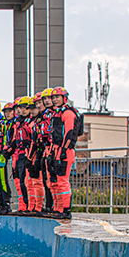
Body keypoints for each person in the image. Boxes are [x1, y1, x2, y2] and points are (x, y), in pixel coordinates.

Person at [49, 87, 80, 220]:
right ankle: (59, 208)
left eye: (58, 97)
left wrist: (62, 151)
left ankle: (66, 210)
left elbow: (68, 133)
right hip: (56, 149)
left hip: (65, 151)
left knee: (63, 181)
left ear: (64, 98)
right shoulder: (57, 112)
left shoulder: (68, 113)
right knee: (56, 181)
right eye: (54, 97)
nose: (55, 99)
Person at [7, 100, 31, 214]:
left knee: (28, 182)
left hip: (27, 154)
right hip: (17, 154)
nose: (20, 110)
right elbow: (15, 139)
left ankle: (30, 206)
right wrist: (8, 151)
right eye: (17, 108)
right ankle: (22, 206)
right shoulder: (17, 122)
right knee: (18, 182)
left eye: (23, 108)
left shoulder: (29, 121)